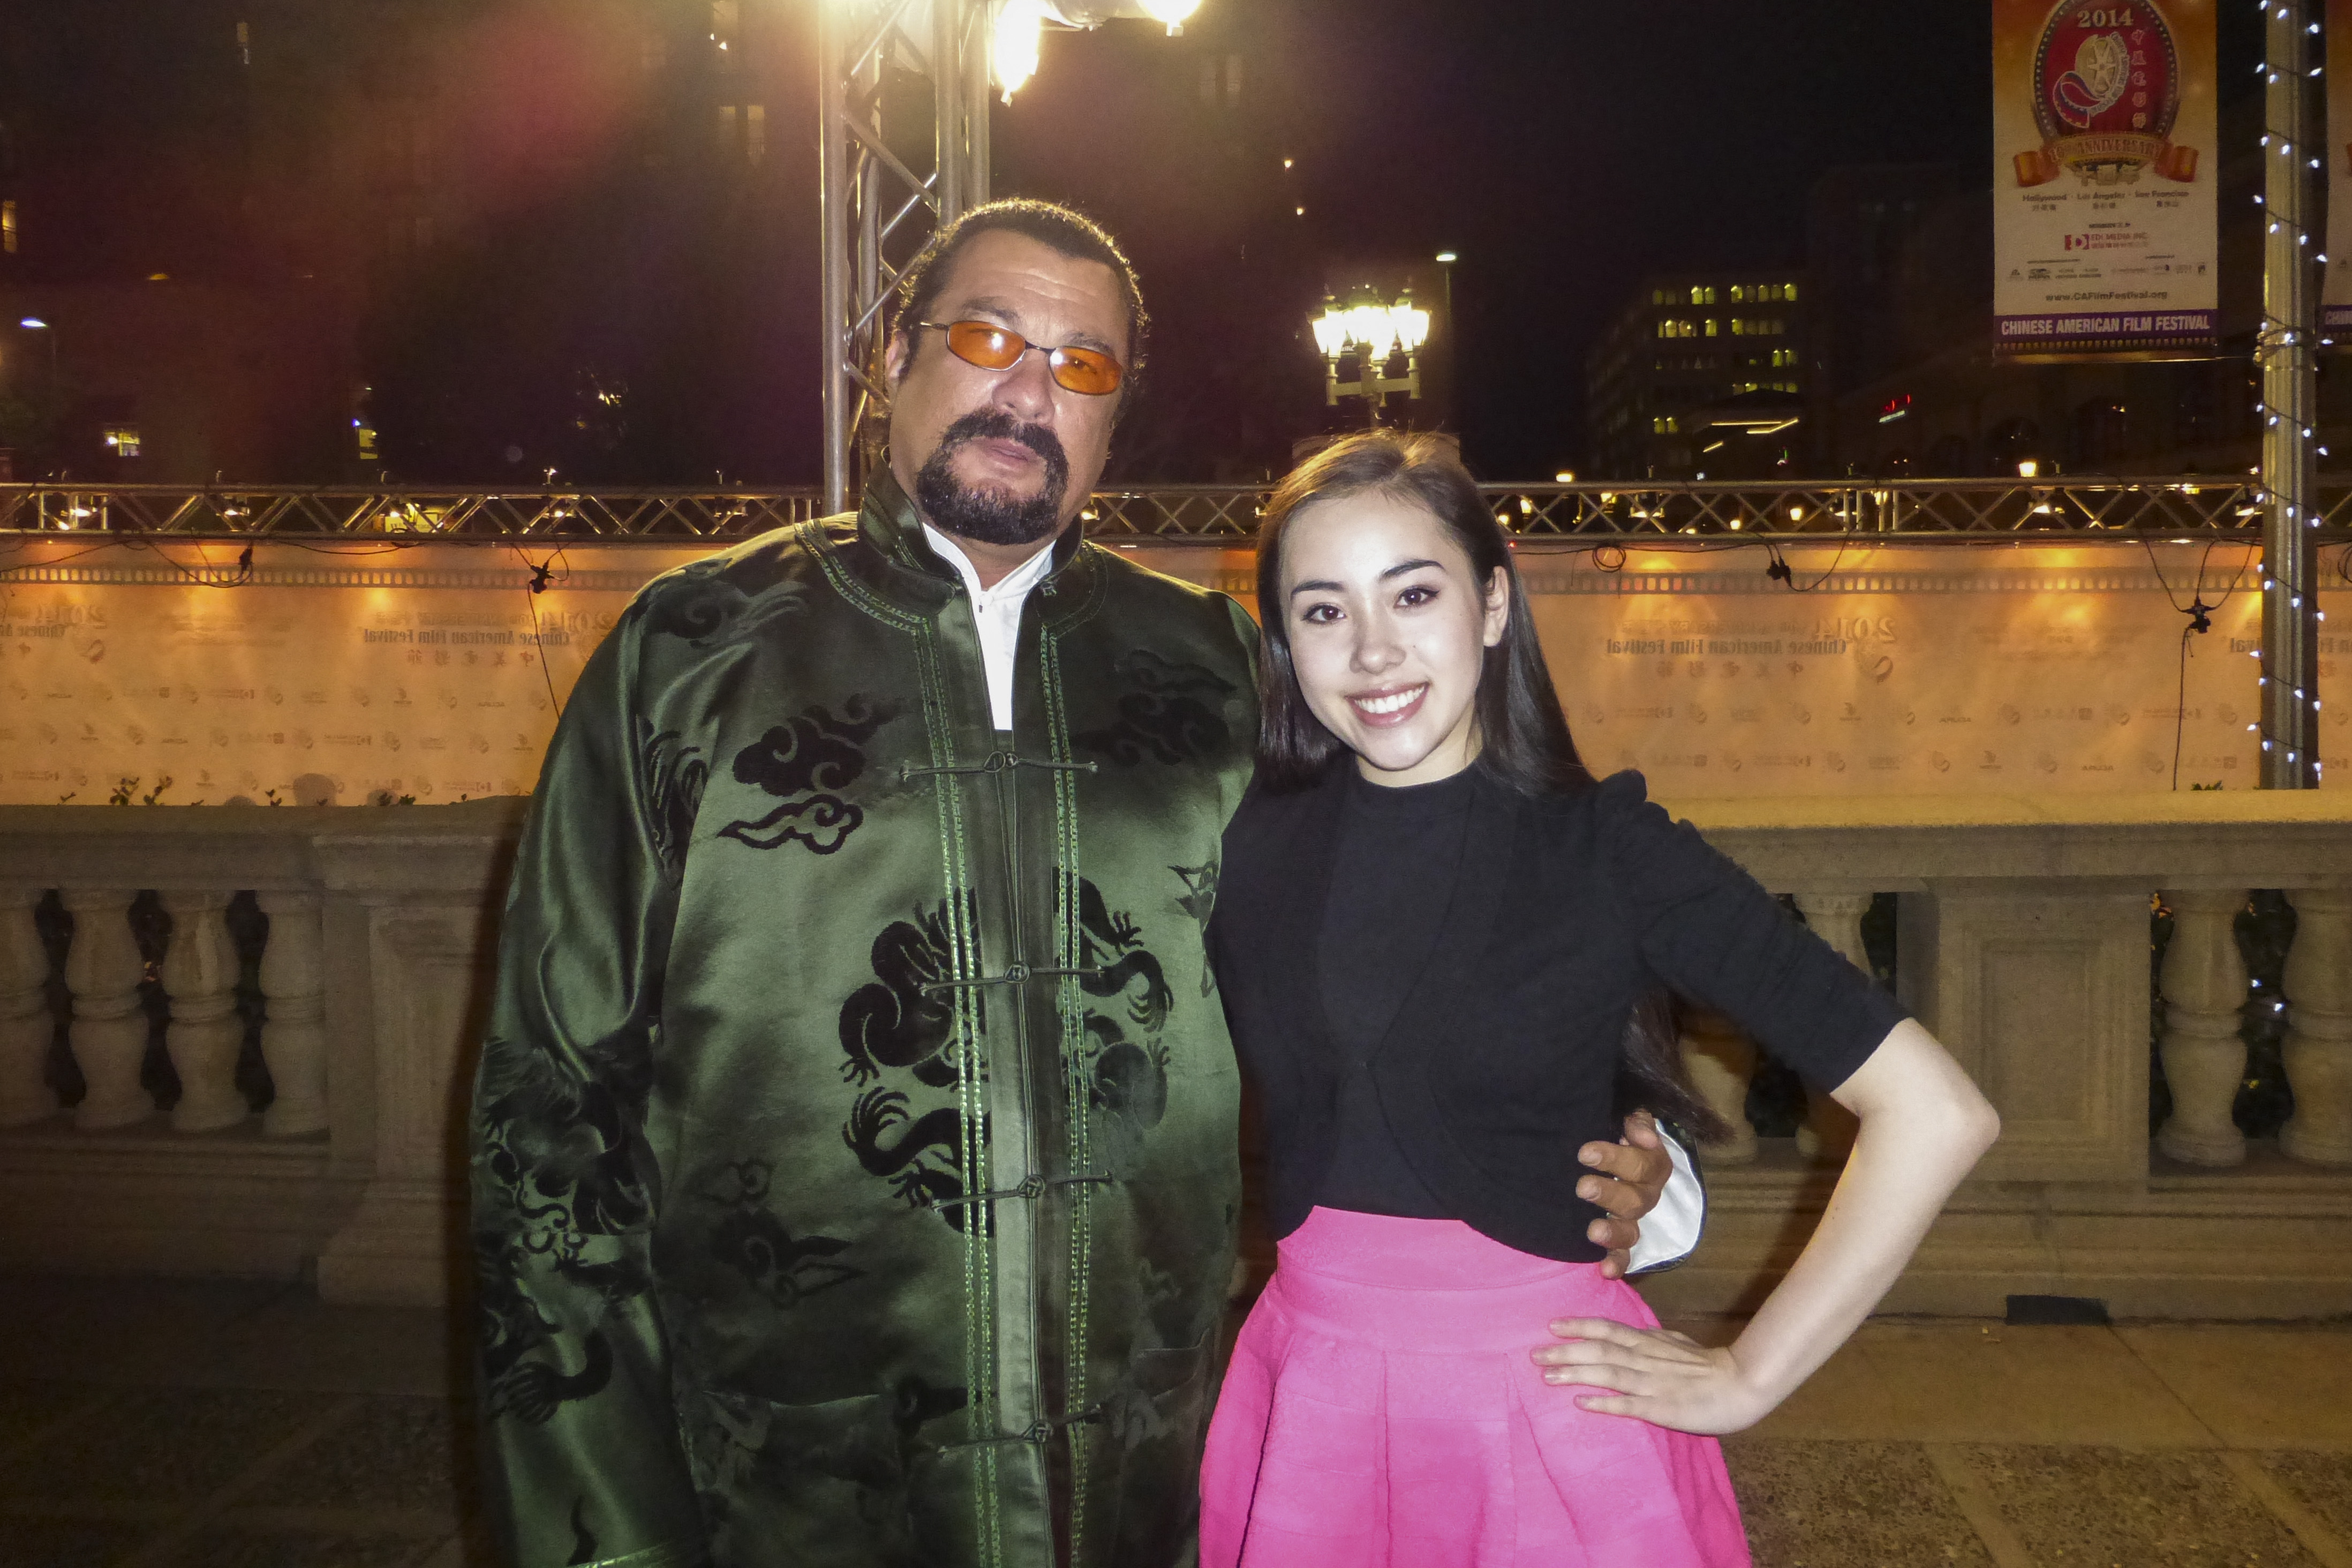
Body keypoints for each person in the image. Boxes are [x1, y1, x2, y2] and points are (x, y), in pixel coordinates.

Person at [467, 199, 1690, 1568]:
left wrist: (1638, 1155)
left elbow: (1460, 915)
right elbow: (551, 1123)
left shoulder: (1223, 676)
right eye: (988, 336)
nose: (1030, 389)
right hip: (785, 1484)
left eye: (1084, 366)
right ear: (890, 356)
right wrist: (609, 1540)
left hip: (1149, 1481)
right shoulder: (688, 657)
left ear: (1115, 420)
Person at [1198, 432, 2001, 1568]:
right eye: (1323, 612)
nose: (1374, 651)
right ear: (1285, 640)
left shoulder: (1610, 850)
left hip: (1543, 1416)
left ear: (1490, 604)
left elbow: (1938, 1112)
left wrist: (1748, 1373)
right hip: (1310, 1397)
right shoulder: (1245, 841)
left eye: (1413, 594)